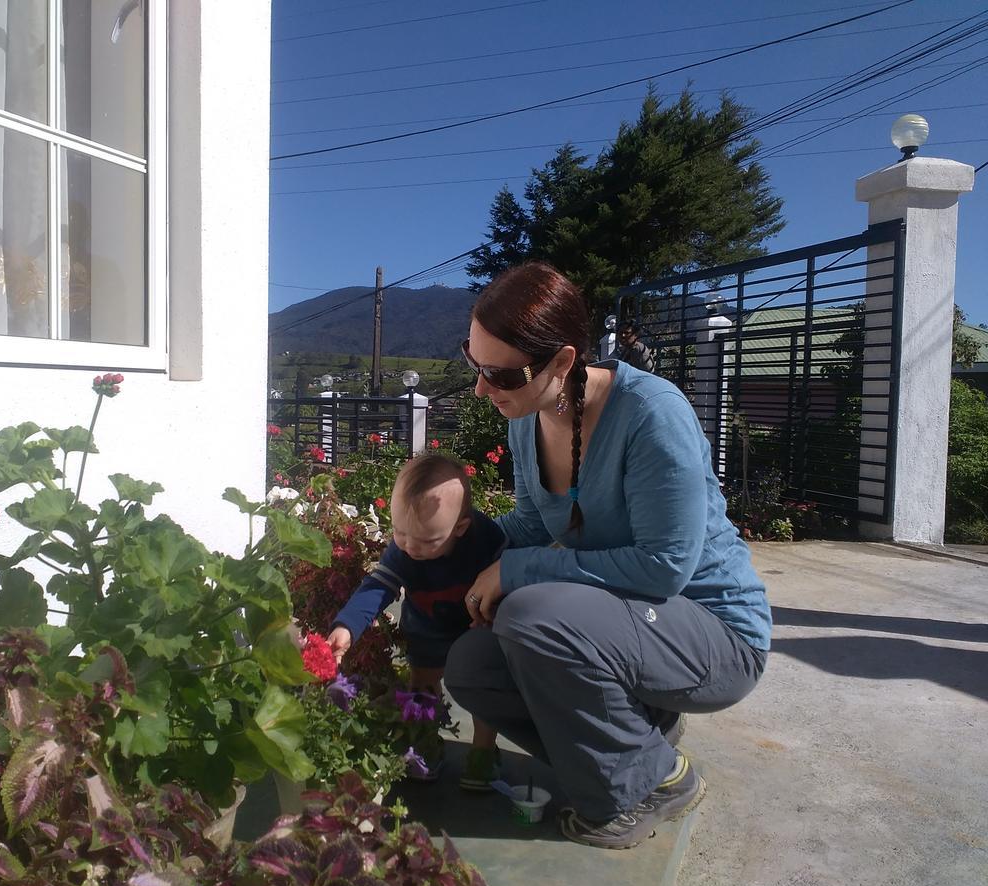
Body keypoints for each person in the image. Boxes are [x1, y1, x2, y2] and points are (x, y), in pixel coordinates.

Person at [446, 261, 770, 850]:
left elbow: (664, 566)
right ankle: (646, 751)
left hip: (714, 636)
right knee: (471, 665)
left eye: (500, 374)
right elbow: (528, 524)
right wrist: (444, 545)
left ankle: (631, 792)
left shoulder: (650, 413)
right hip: (623, 629)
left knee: (532, 616)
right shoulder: (528, 418)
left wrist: (516, 570)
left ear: (564, 362)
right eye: (474, 364)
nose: (481, 389)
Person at [327, 453, 508, 790]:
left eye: (427, 541)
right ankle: (424, 744)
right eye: (400, 533)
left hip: (477, 626)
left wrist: (494, 613)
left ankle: (483, 753)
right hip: (426, 626)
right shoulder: (404, 549)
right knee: (422, 687)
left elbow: (505, 580)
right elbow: (378, 586)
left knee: (485, 690)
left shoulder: (486, 539)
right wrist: (347, 626)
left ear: (460, 528)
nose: (412, 548)